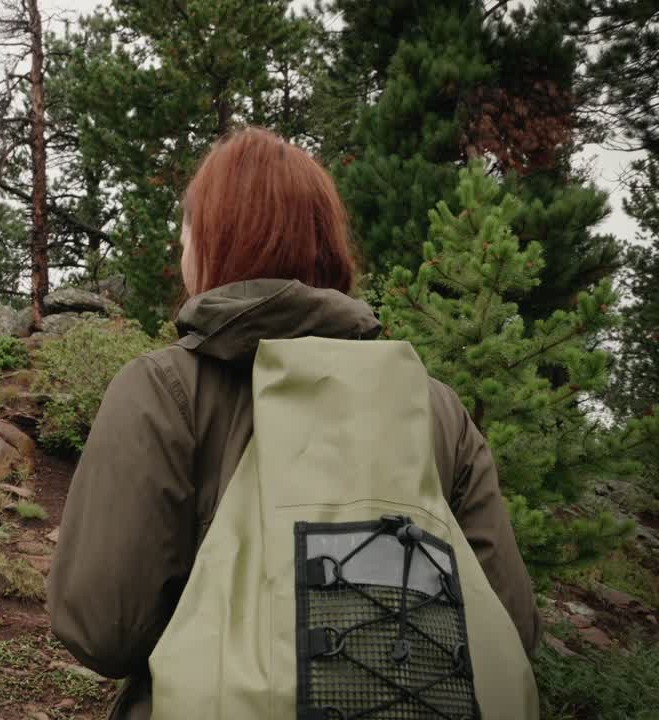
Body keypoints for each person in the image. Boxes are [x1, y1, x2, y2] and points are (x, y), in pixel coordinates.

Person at [46, 127, 540, 719]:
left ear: (213, 244)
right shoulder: (436, 410)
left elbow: (103, 627)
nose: (179, 248)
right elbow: (512, 627)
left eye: (187, 228)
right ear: (328, 250)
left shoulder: (165, 390)